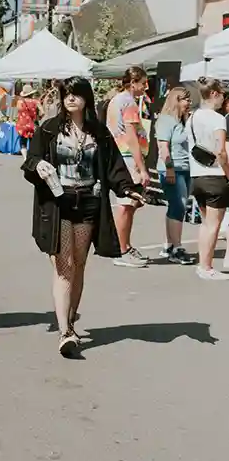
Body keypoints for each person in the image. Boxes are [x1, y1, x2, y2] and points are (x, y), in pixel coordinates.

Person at [23, 77, 145, 357]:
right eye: (67, 94)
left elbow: (114, 168)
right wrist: (39, 164)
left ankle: (71, 318)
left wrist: (129, 189)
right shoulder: (50, 129)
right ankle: (65, 330)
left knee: (78, 264)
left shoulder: (99, 133)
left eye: (76, 94)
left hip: (89, 203)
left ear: (86, 98)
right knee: (64, 266)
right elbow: (31, 160)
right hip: (59, 203)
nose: (71, 99)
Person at [105, 67, 151, 267]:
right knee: (127, 205)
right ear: (133, 83)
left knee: (129, 204)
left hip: (120, 156)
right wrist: (142, 168)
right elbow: (131, 137)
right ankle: (122, 250)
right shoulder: (128, 102)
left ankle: (124, 247)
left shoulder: (117, 100)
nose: (145, 87)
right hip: (127, 158)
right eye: (143, 83)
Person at [186, 77, 229, 280]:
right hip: (215, 176)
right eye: (222, 95)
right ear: (214, 94)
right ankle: (206, 266)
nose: (223, 100)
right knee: (213, 225)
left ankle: (203, 264)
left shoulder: (192, 117)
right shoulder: (217, 118)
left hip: (197, 175)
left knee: (206, 223)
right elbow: (221, 151)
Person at [155, 87, 194, 265]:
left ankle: (170, 244)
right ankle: (177, 248)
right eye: (186, 100)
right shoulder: (165, 121)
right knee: (178, 206)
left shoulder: (183, 121)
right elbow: (163, 147)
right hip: (173, 169)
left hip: (186, 168)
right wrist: (169, 169)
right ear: (176, 101)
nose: (189, 103)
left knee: (175, 206)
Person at [16, 84, 38, 158]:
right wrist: (37, 117)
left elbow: (18, 111)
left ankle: (25, 158)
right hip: (32, 124)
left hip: (22, 125)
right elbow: (43, 112)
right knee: (33, 142)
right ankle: (31, 158)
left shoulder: (20, 102)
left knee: (23, 142)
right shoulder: (35, 102)